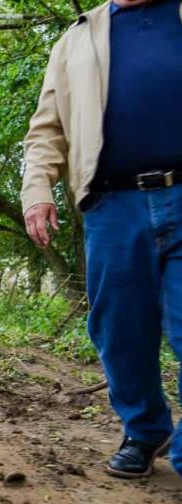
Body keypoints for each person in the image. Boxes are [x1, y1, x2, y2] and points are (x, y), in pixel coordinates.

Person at [22, 0, 182, 479]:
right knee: (120, 331)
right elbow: (46, 130)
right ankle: (145, 427)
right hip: (112, 205)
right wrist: (36, 191)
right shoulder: (77, 39)